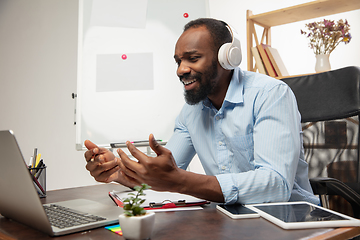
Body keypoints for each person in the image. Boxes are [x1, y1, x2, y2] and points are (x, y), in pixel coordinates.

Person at [84, 18, 319, 205]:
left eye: (193, 59)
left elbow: (275, 185)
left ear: (227, 58)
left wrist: (182, 181)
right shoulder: (191, 112)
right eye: (178, 61)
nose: (181, 70)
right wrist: (118, 172)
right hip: (228, 218)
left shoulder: (270, 94)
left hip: (290, 218)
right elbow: (165, 176)